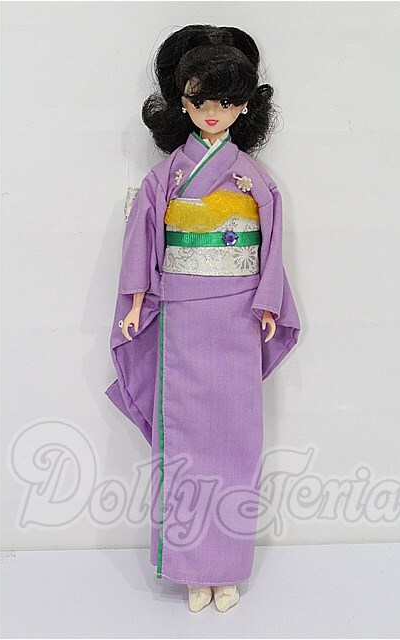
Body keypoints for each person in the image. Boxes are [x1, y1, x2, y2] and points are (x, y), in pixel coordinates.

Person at [105, 24, 301, 613]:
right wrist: (135, 301)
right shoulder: (165, 176)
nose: (213, 113)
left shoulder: (255, 178)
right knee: (186, 442)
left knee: (237, 441)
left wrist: (269, 300)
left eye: (226, 101)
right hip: (184, 320)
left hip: (239, 316)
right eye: (199, 100)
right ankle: (193, 569)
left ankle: (228, 568)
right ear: (181, 103)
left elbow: (272, 243)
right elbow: (142, 241)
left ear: (245, 107)